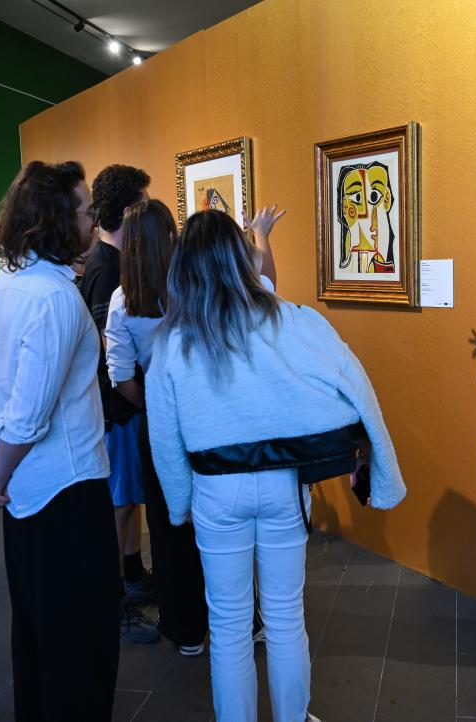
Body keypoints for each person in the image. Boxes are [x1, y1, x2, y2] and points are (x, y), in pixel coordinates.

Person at [145, 208, 407, 722]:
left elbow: (165, 440)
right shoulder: (287, 319)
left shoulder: (171, 343)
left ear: (182, 267)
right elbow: (350, 376)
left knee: (228, 626)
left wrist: (179, 505)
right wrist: (374, 455)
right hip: (284, 483)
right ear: (239, 258)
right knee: (286, 618)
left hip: (215, 491)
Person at [0, 160, 120, 721]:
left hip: (26, 495)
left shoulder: (3, 287)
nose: (93, 220)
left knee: (36, 634)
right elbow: (27, 414)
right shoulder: (54, 299)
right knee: (81, 642)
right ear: (56, 219)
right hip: (67, 492)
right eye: (85, 211)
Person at [104, 199, 209, 656]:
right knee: (215, 518)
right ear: (170, 237)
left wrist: (153, 405)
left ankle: (185, 629)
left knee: (168, 525)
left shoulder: (122, 300)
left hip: (160, 424)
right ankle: (236, 618)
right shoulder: (194, 284)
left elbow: (119, 374)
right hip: (206, 417)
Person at [81, 163, 159, 644]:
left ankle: (132, 573)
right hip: (118, 409)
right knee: (119, 504)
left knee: (129, 500)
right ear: (130, 210)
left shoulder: (110, 262)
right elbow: (109, 355)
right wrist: (139, 399)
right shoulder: (106, 269)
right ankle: (112, 600)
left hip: (123, 406)